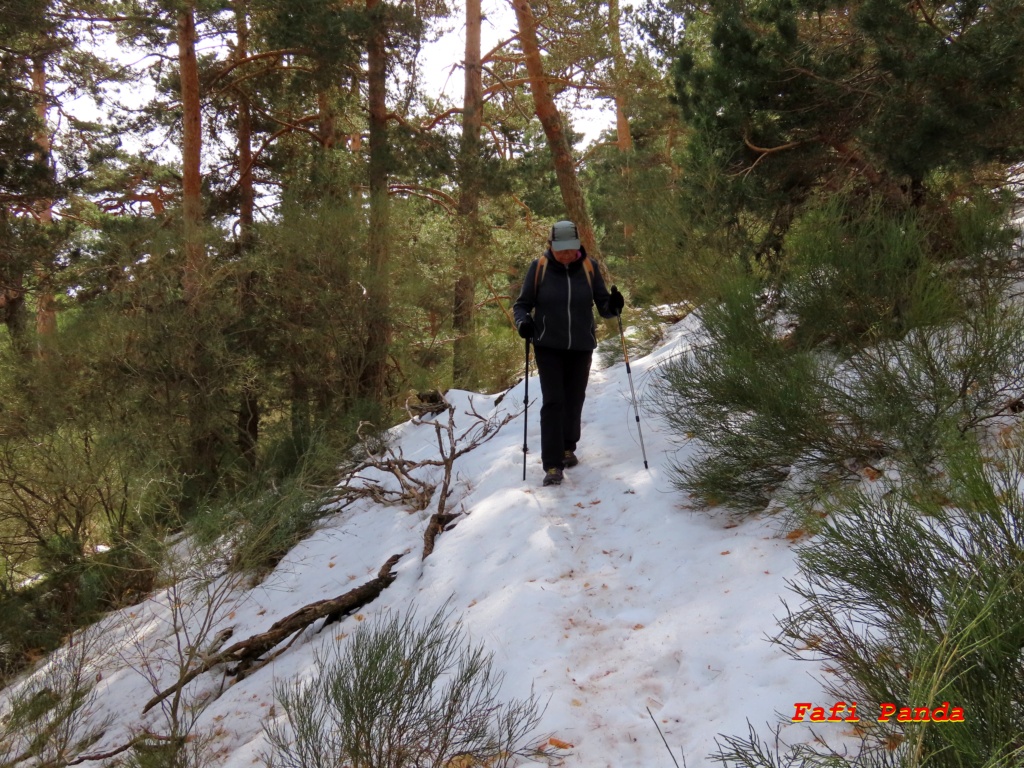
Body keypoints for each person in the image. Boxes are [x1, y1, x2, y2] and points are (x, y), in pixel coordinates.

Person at [513, 220, 625, 486]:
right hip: (547, 344)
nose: (565, 254)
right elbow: (522, 305)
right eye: (560, 249)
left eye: (570, 249)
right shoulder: (539, 268)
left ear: (578, 246)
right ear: (551, 245)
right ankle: (552, 465)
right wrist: (523, 323)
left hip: (581, 345)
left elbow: (604, 307)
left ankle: (567, 448)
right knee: (553, 401)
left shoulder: (589, 267)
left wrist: (614, 305)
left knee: (574, 399)